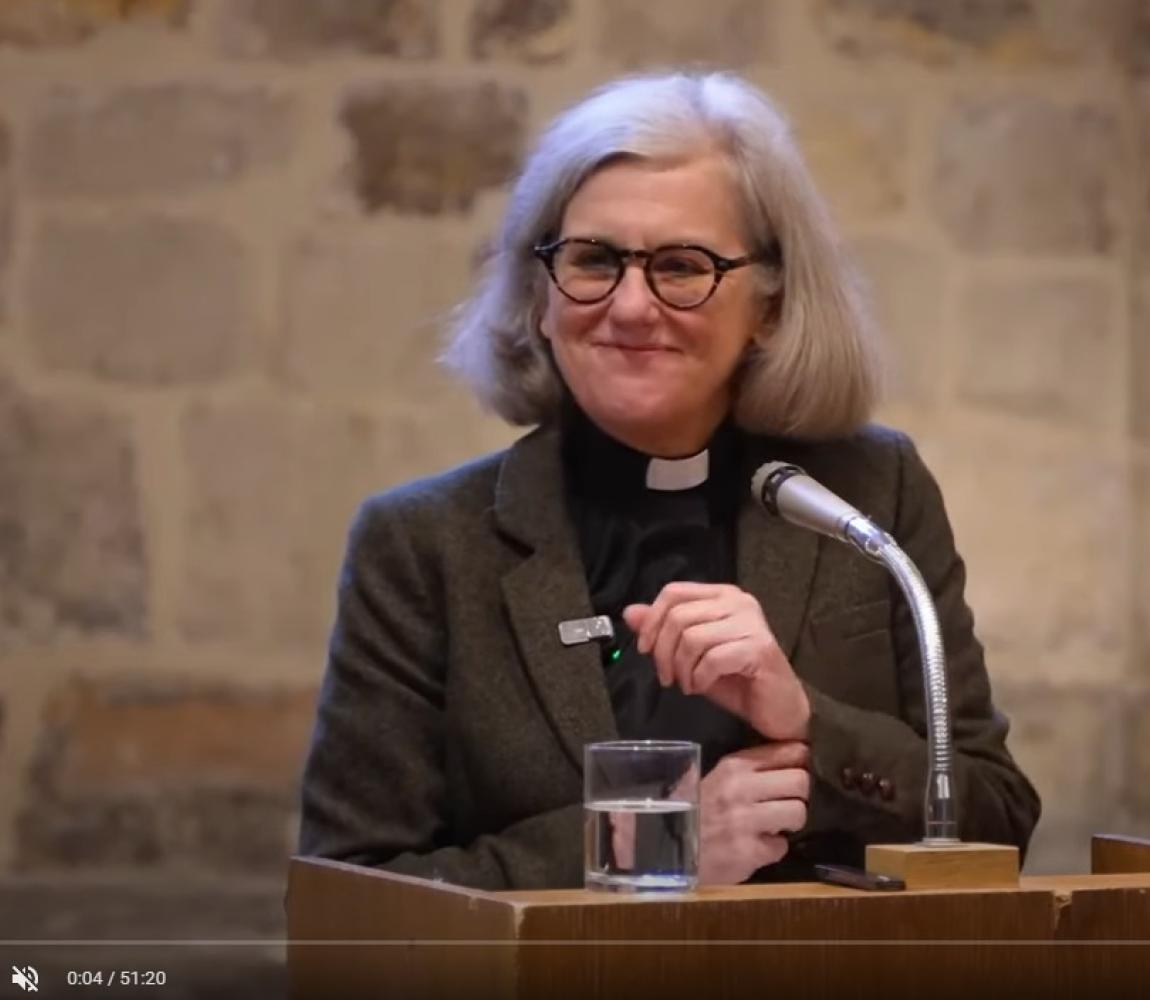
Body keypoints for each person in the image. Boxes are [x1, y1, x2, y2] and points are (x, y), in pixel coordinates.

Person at [297, 71, 1040, 890]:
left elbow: (997, 821)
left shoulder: (870, 493)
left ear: (769, 306)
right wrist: (655, 841)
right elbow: (348, 894)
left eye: (682, 266)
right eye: (593, 260)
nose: (630, 307)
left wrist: (808, 721)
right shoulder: (423, 543)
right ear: (541, 293)